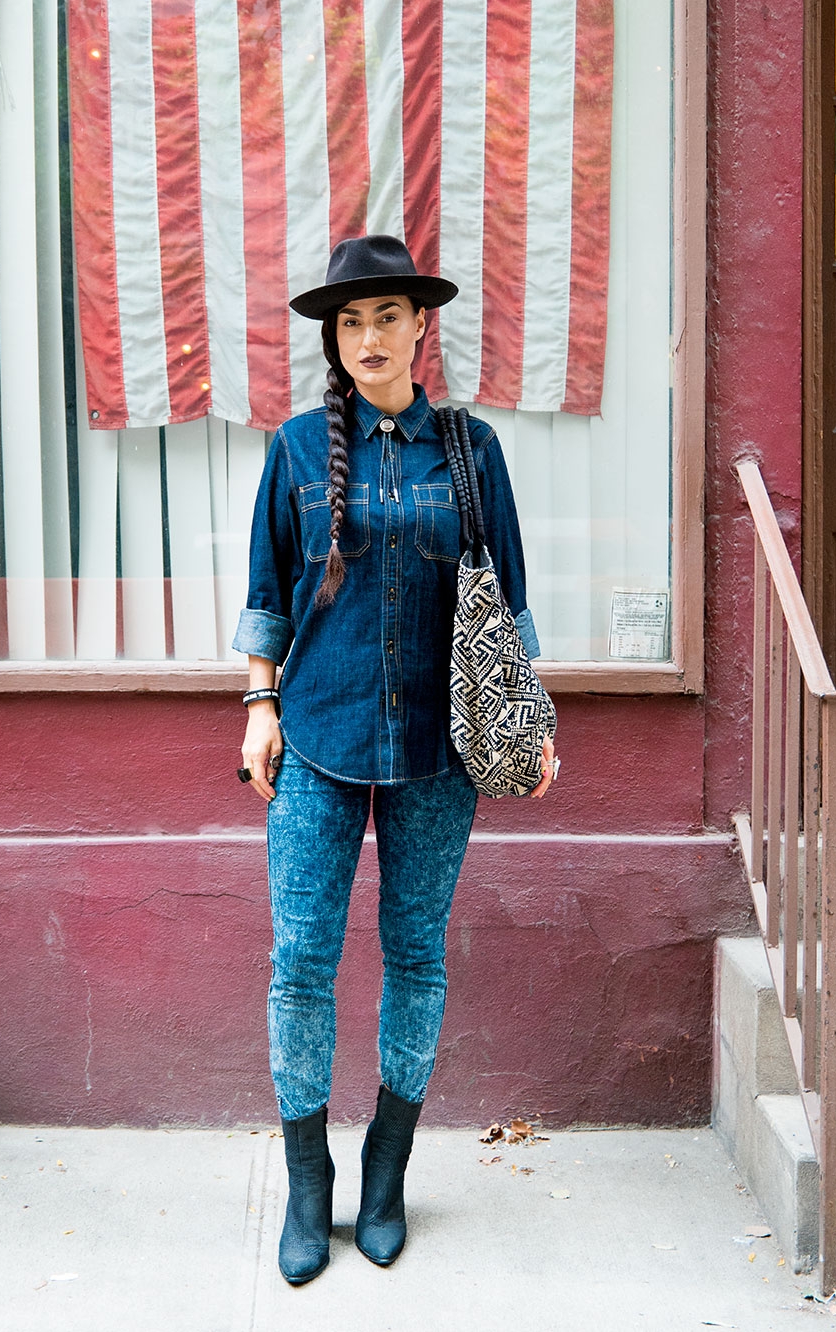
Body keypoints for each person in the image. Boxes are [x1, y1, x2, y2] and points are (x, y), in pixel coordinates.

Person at [232, 235, 555, 1285]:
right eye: (350, 320)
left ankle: (384, 1170)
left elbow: (505, 601)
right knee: (300, 967)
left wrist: (532, 721)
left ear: (422, 326)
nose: (367, 336)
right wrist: (257, 706)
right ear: (334, 336)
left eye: (386, 316)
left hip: (438, 750)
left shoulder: (469, 451)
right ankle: (307, 1181)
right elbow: (268, 594)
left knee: (415, 957)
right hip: (318, 740)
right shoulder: (291, 450)